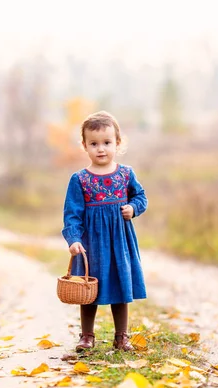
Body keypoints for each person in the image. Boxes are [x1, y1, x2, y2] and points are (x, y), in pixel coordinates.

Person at [61, 110, 148, 352]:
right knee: (89, 287)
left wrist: (133, 207)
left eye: (107, 143)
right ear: (85, 146)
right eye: (94, 143)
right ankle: (87, 336)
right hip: (91, 244)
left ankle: (122, 337)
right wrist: (74, 239)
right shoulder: (79, 179)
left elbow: (141, 197)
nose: (101, 149)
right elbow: (72, 213)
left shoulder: (126, 174)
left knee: (120, 286)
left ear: (117, 143)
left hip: (119, 242)